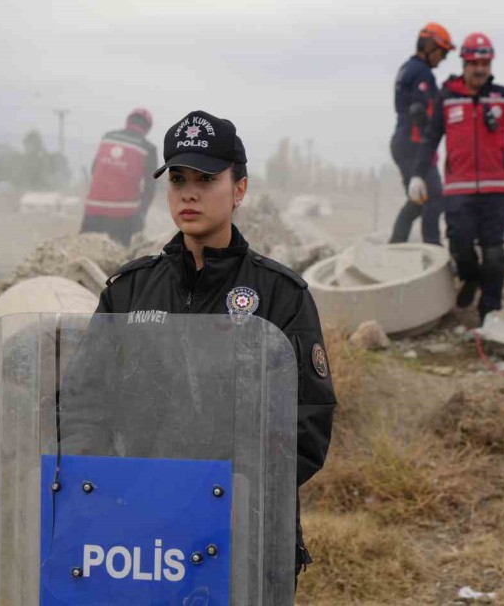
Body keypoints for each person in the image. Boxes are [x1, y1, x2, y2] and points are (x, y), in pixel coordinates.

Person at [95, 110, 338, 582]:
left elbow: (306, 424)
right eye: (178, 179)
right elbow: (85, 404)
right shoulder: (127, 291)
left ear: (239, 189)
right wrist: (117, 492)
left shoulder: (282, 296)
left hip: (243, 534)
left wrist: (225, 494)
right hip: (141, 538)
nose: (189, 192)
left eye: (206, 178)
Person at [408, 32, 504, 323]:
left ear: (491, 63)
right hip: (459, 190)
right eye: (474, 63)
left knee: (494, 252)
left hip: (498, 189)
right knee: (460, 246)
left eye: (485, 62)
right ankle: (470, 279)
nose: (480, 69)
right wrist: (418, 175)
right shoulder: (447, 98)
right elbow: (431, 137)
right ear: (464, 63)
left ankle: (490, 311)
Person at [390, 22, 455, 244]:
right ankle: (432, 248)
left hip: (403, 141)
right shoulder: (422, 73)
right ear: (430, 47)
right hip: (413, 143)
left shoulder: (407, 68)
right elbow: (425, 113)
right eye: (443, 53)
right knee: (433, 196)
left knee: (419, 199)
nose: (443, 58)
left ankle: (395, 244)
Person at [80, 108, 158, 247]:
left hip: (92, 211)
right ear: (147, 129)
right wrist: (141, 216)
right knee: (119, 259)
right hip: (122, 217)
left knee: (84, 250)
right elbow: (150, 189)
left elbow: (94, 170)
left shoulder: (107, 137)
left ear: (128, 121)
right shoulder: (148, 148)